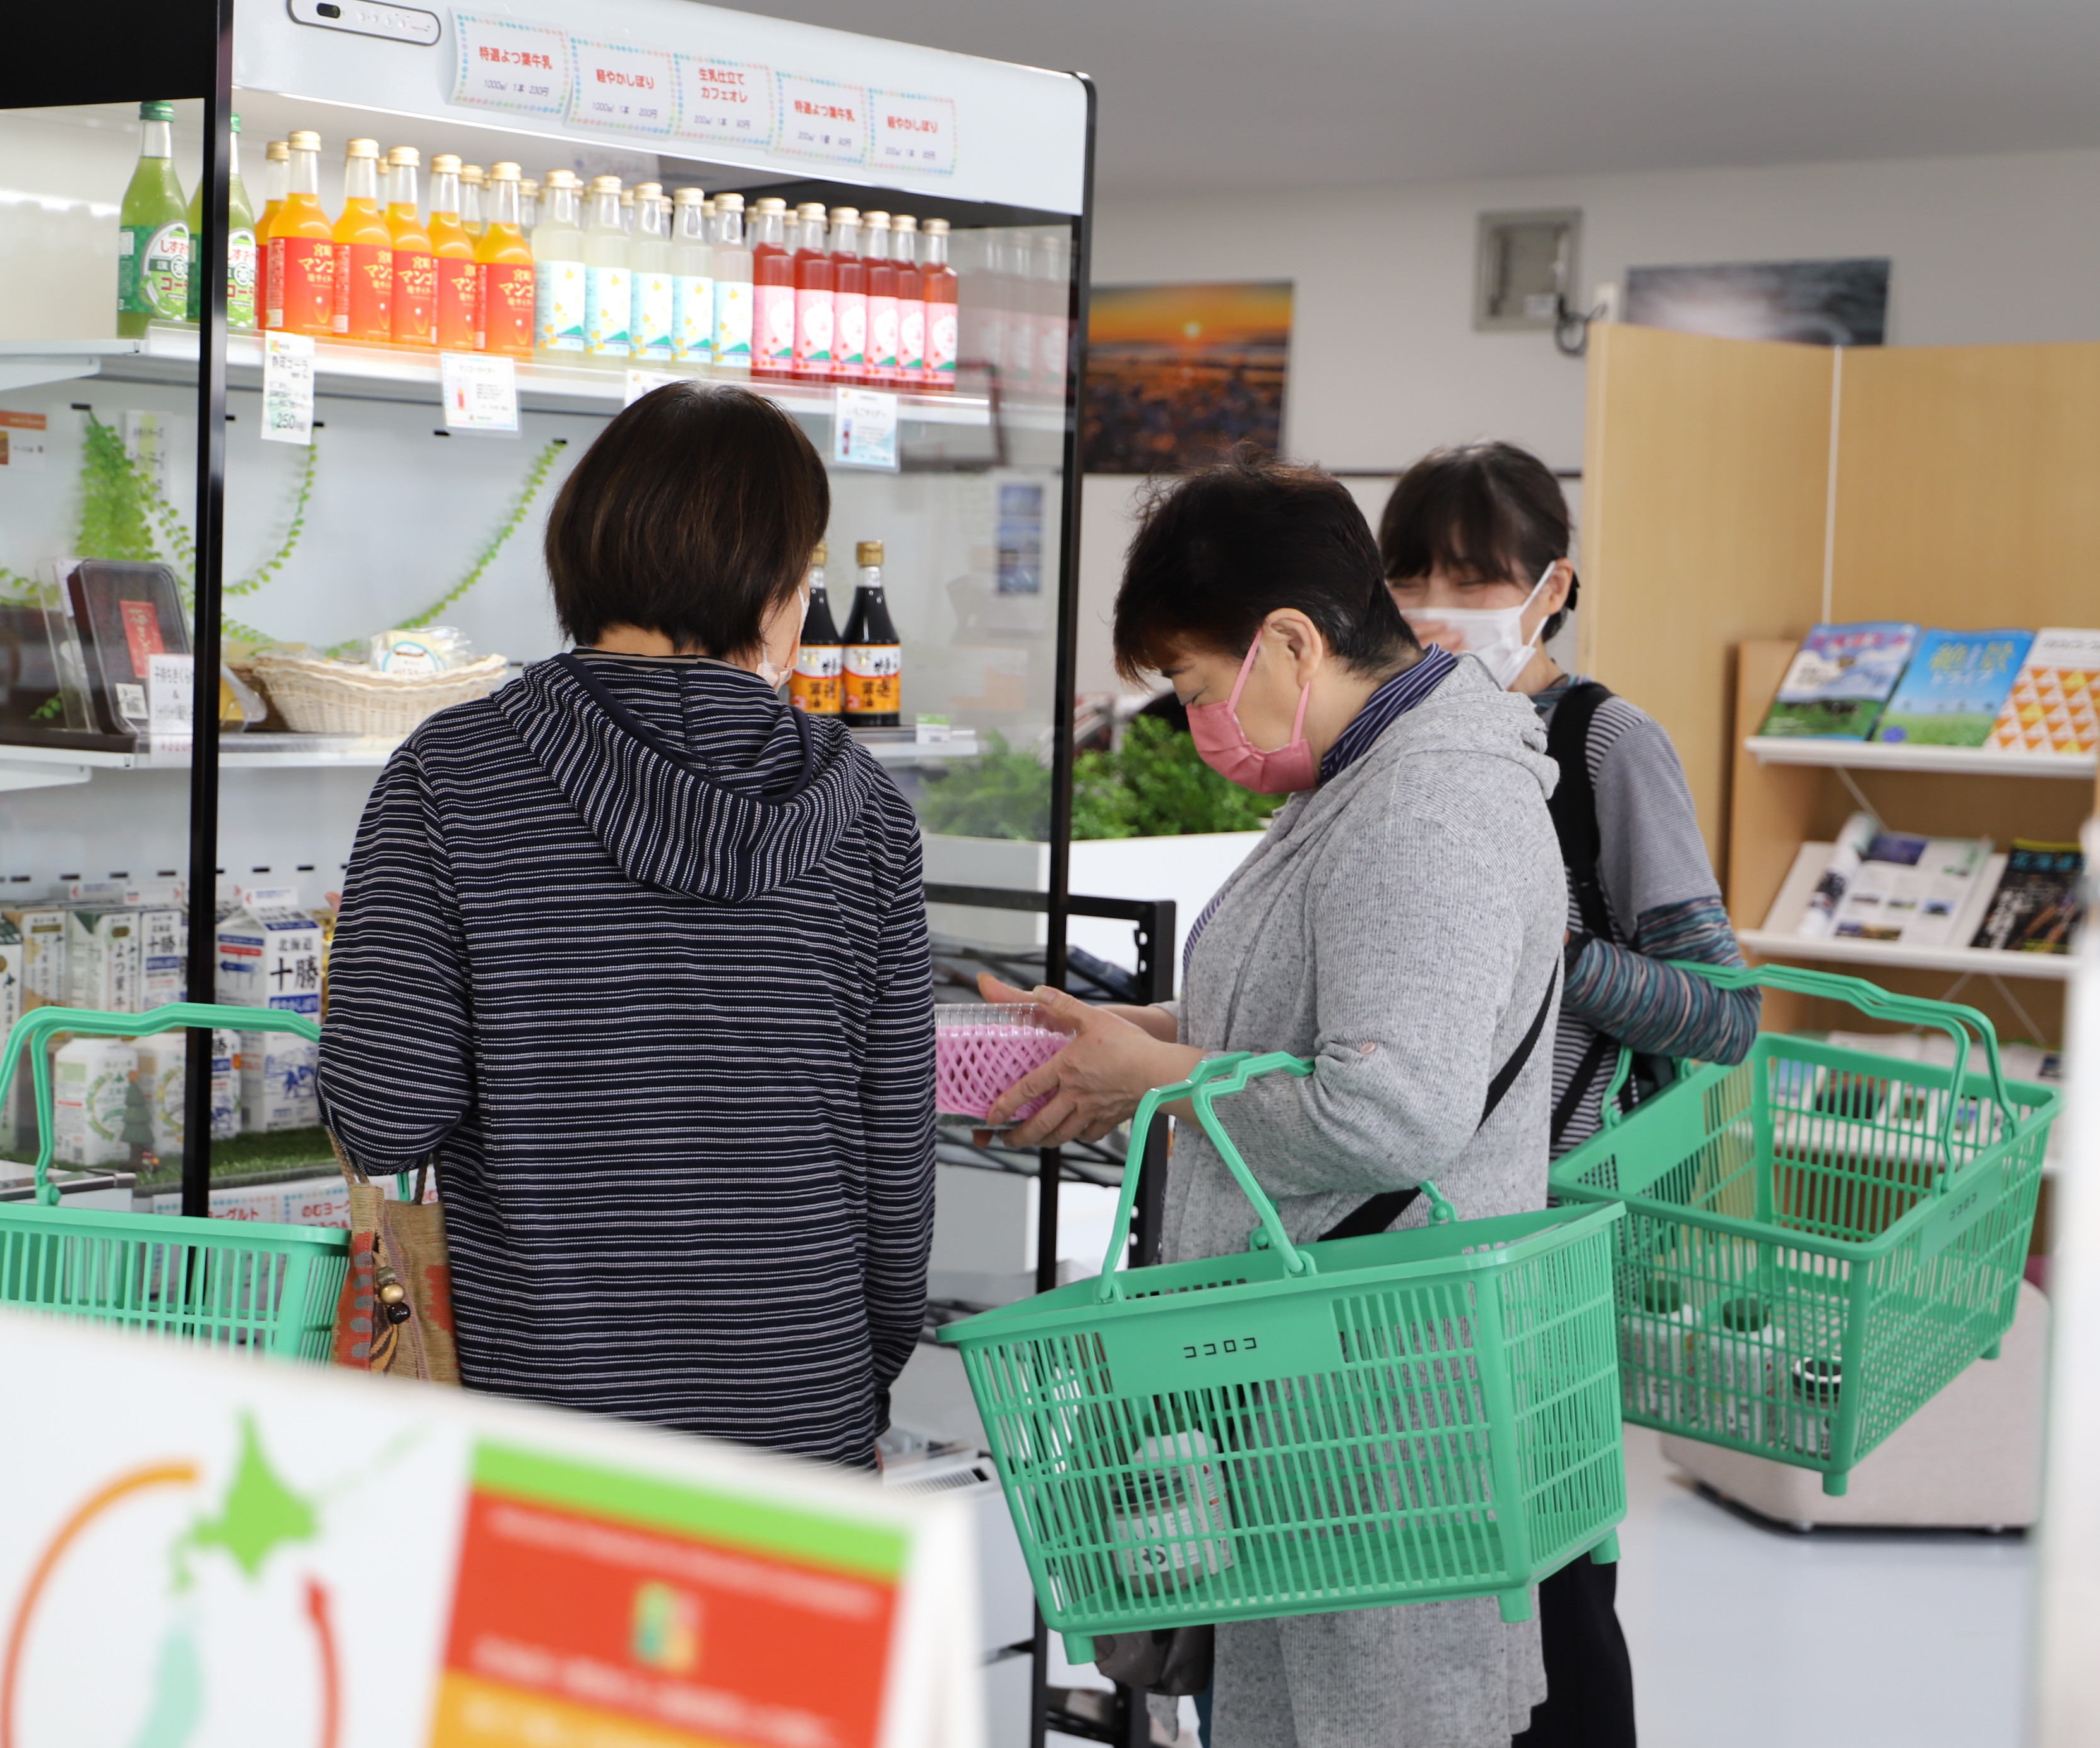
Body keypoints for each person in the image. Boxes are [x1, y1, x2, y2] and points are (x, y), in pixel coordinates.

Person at [981, 458, 1567, 1748]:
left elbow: (1396, 1107)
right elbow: (1328, 1023)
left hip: (1386, 1408)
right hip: (1313, 1395)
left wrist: (1164, 1081)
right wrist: (1139, 1041)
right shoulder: (1366, 777)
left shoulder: (1433, 803)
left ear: (1291, 642)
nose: (1196, 722)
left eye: (1195, 686)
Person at [318, 380, 934, 1470]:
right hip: (801, 1408)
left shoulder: (450, 779)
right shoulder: (868, 815)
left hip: (545, 1420)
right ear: (778, 589)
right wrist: (851, 1374)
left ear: (585, 552)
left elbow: (386, 1117)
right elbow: (896, 1172)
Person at [1380, 440, 1762, 1748]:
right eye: (1411, 573)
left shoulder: (1606, 744)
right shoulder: (1391, 738)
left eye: (1475, 576)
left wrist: (1557, 956)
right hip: (1407, 1228)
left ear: (1551, 588)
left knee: (1550, 1579)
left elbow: (1723, 1013)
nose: (1438, 604)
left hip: (1552, 1229)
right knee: (1418, 1576)